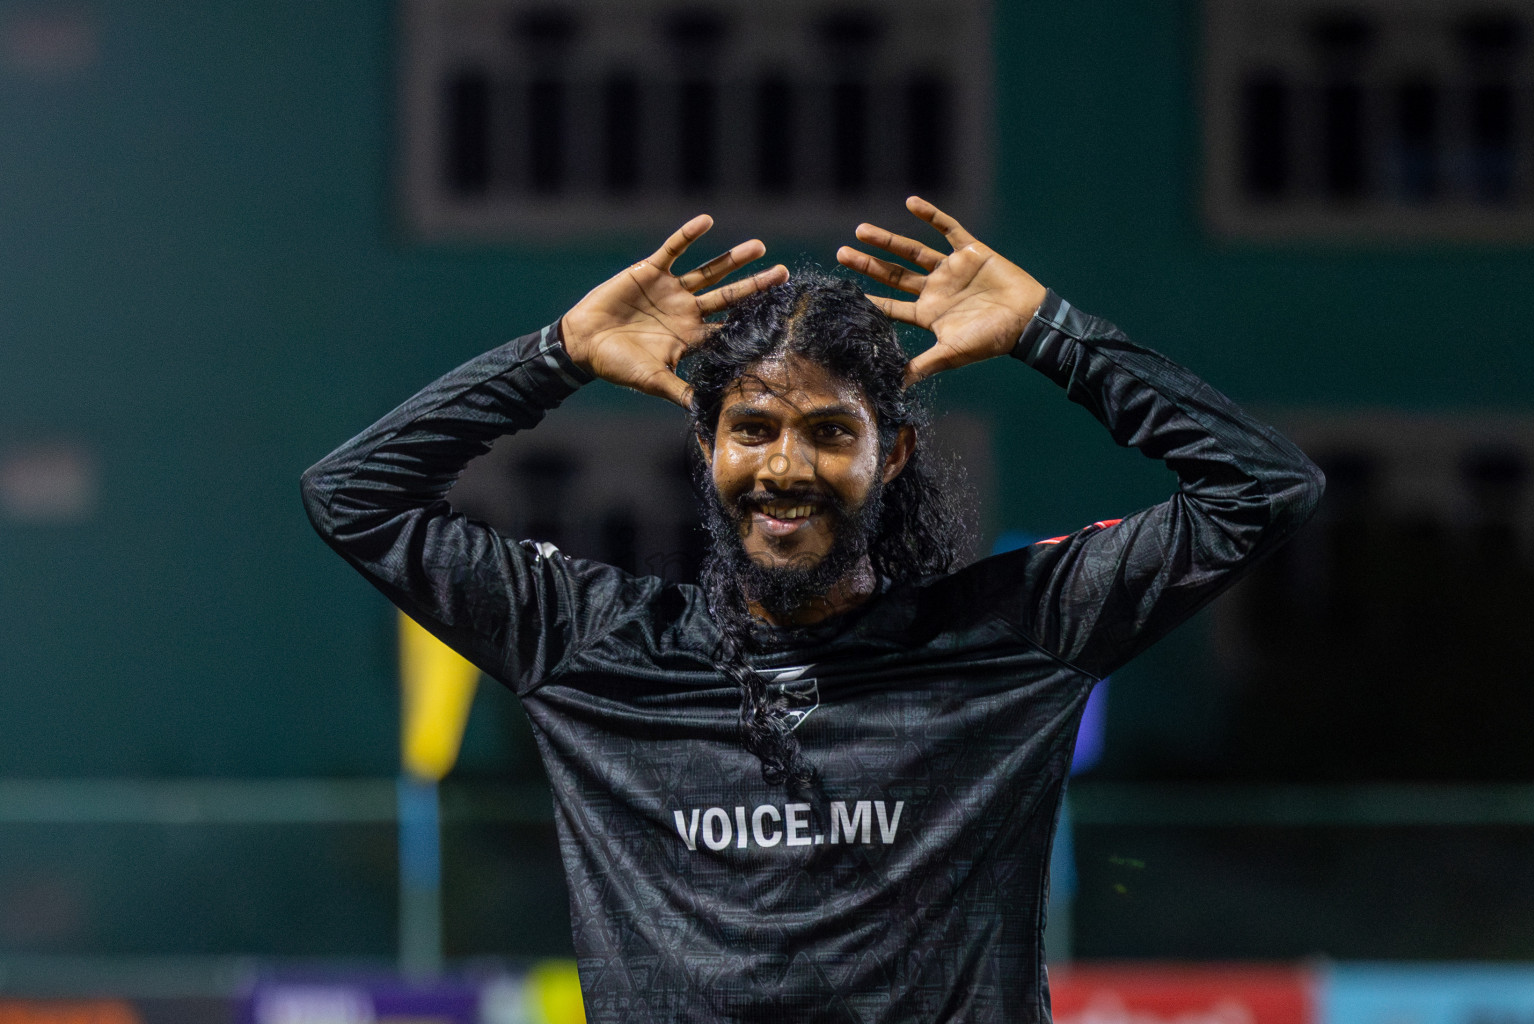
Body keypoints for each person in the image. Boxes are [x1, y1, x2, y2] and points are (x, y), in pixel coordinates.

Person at [302, 197, 1323, 1022]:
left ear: (896, 453)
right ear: (704, 449)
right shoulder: (595, 647)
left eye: (832, 430)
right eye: (753, 428)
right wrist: (555, 353)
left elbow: (1263, 487)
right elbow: (352, 497)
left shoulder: (1009, 638)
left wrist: (1055, 334)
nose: (786, 467)